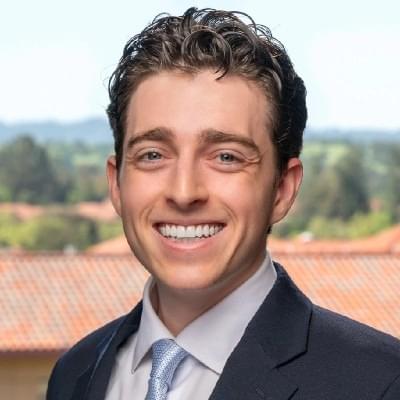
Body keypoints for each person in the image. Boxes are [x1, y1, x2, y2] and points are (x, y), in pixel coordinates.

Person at [46, 7, 400, 400]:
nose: (184, 192)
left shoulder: (382, 383)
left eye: (226, 157)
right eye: (153, 155)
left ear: (282, 189)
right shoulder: (73, 374)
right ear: (116, 183)